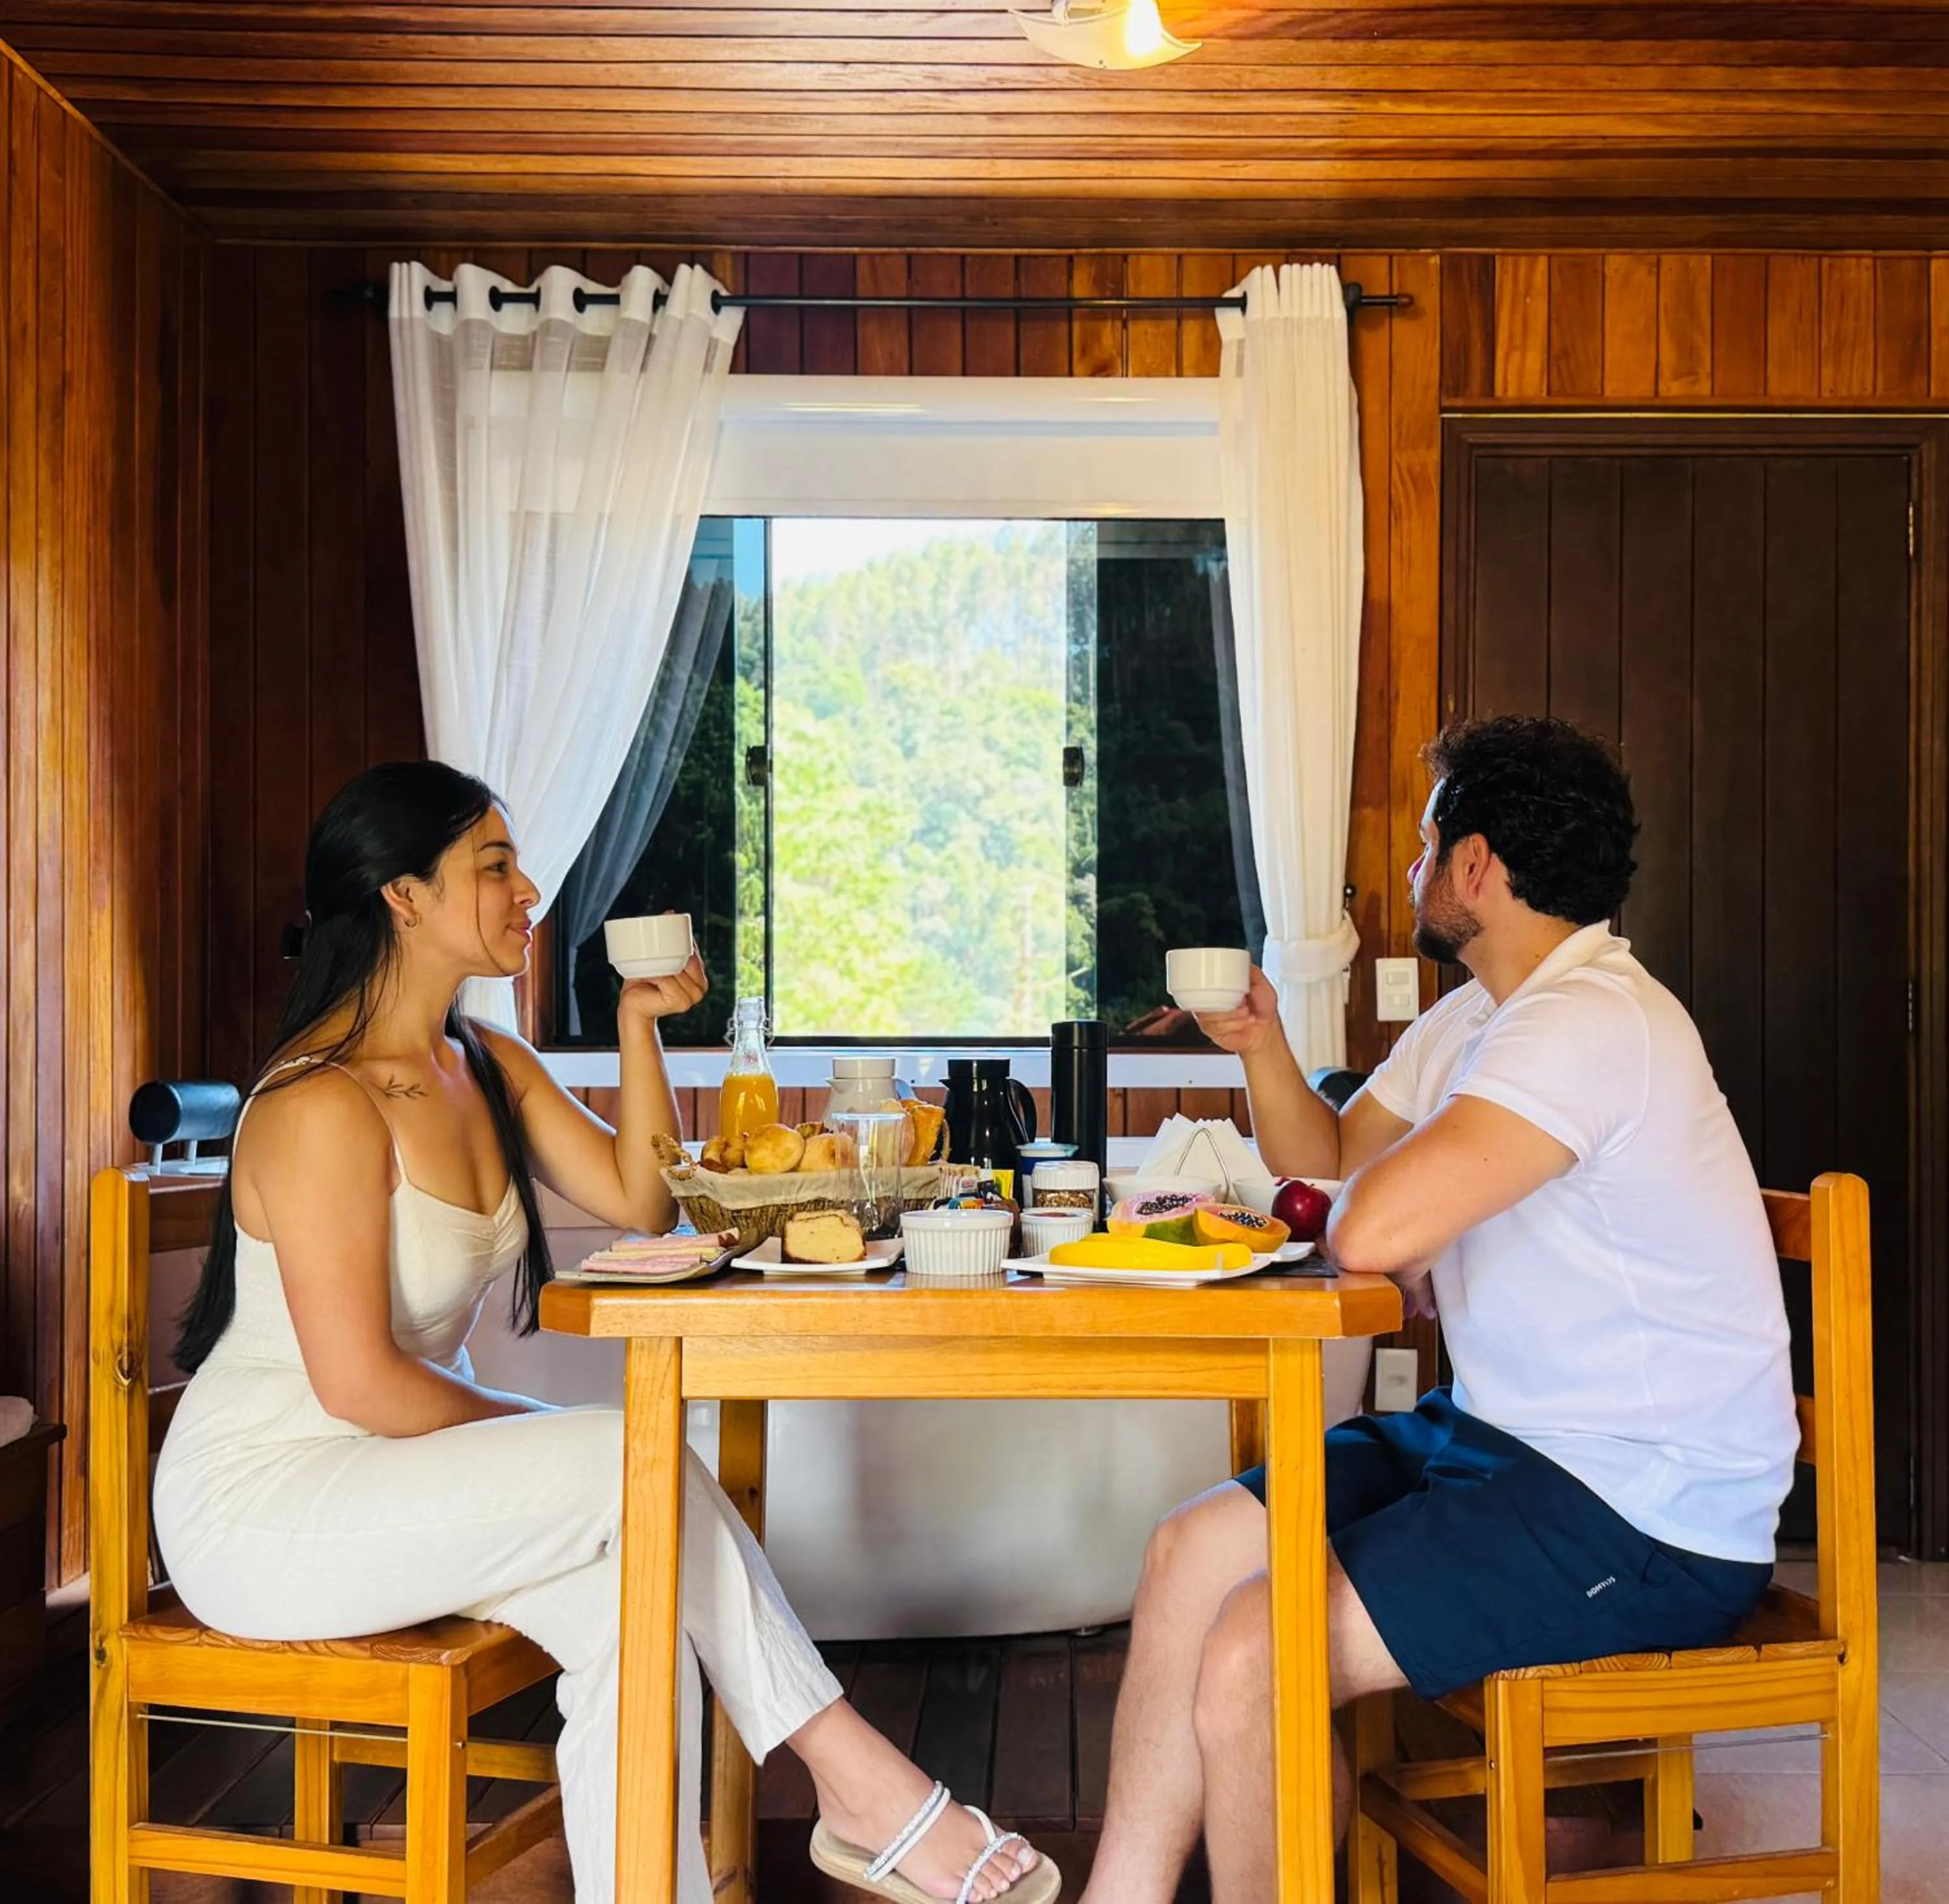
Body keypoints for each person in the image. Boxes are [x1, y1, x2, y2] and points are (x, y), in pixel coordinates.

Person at [155, 761, 1056, 1904]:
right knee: (629, 1465)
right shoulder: (319, 1104)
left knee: (640, 1616)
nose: (529, 889)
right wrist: (561, 1440)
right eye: (494, 866)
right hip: (267, 1510)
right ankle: (864, 1787)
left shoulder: (482, 1063)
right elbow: (363, 1387)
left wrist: (637, 1023)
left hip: (392, 1480)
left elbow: (641, 1201)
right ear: (403, 895)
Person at [1077, 715, 1799, 1904]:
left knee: (1258, 1654)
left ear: (1478, 868)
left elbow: (1361, 1227)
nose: (1410, 872)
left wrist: (1381, 1223)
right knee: (1191, 1551)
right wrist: (1262, 1045)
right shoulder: (1479, 1017)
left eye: (1424, 849)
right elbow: (1330, 1157)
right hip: (1502, 1442)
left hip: (1645, 1507)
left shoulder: (1590, 1022)